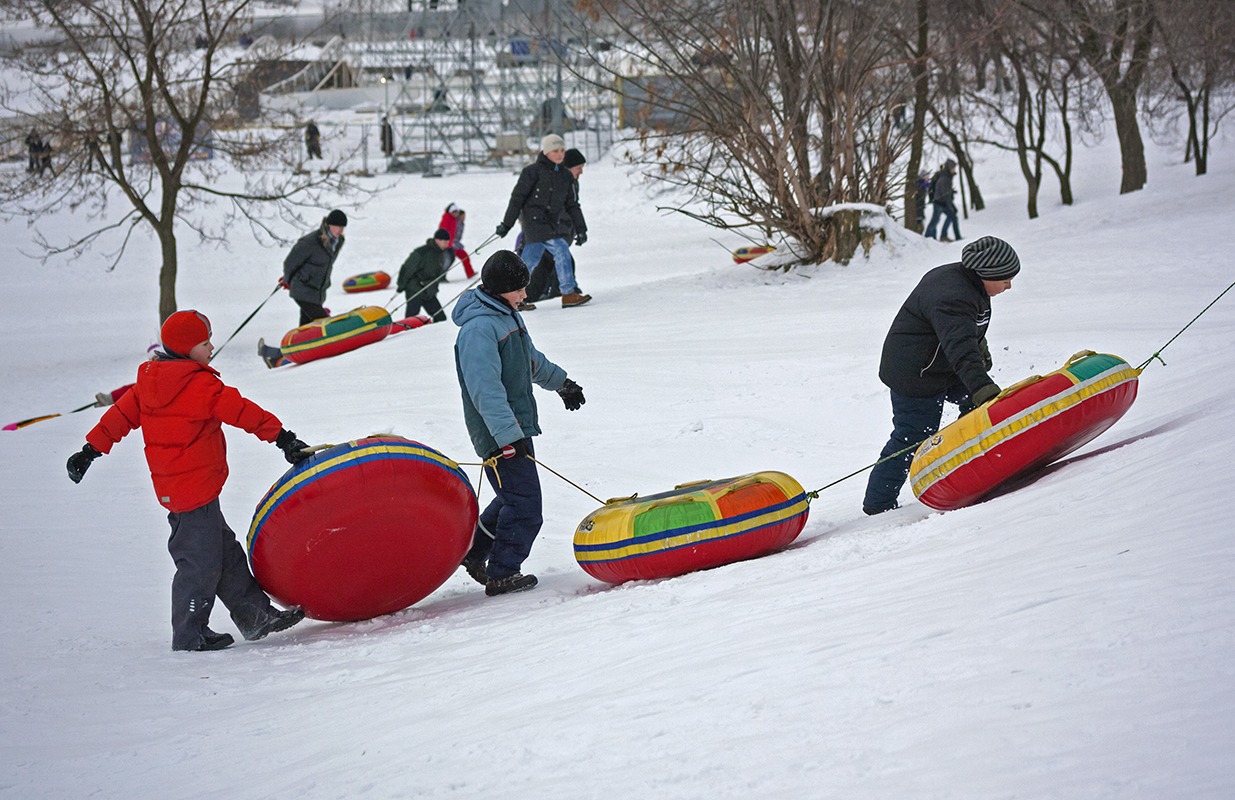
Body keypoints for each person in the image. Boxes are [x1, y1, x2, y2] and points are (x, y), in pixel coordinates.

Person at [65, 310, 311, 651]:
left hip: (182, 488)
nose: (212, 347)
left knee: (225, 554)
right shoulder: (199, 385)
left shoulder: (147, 383)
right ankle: (189, 633)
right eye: (204, 342)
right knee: (199, 565)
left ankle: (255, 616)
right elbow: (244, 412)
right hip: (194, 491)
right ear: (184, 349)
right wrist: (283, 438)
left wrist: (89, 450)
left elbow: (117, 417)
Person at [452, 251, 587, 595]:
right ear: (499, 289)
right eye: (519, 289)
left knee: (512, 498)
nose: (525, 295)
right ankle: (502, 572)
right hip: (499, 434)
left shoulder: (505, 315)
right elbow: (486, 390)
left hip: (513, 428)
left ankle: (475, 553)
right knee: (526, 507)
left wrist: (562, 384)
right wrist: (507, 438)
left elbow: (529, 360)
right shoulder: (479, 329)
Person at [861, 236, 1020, 516]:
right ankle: (879, 504)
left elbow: (965, 331)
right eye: (1005, 278)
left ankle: (962, 463)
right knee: (912, 437)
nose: (1009, 286)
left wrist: (980, 352)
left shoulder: (971, 284)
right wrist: (982, 384)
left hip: (941, 365)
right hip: (914, 373)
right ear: (987, 273)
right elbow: (959, 345)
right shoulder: (952, 294)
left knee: (976, 405)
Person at [495, 133, 591, 308]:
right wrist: (506, 224)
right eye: (555, 150)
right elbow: (517, 200)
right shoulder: (532, 172)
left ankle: (513, 298)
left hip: (552, 224)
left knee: (529, 260)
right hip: (534, 222)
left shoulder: (564, 175)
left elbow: (572, 205)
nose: (560, 154)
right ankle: (568, 293)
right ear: (545, 151)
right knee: (561, 249)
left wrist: (581, 229)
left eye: (562, 150)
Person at [527, 147, 587, 303]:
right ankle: (561, 293)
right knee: (546, 265)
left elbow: (573, 208)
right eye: (578, 168)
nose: (581, 172)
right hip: (547, 233)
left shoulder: (571, 183)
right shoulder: (554, 181)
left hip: (560, 233)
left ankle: (561, 292)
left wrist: (580, 230)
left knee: (550, 265)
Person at [280, 209, 347, 325]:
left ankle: (300, 343)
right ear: (329, 225)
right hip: (303, 289)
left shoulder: (337, 242)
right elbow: (291, 262)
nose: (340, 230)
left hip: (317, 292)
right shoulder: (311, 242)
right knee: (322, 321)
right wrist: (287, 280)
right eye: (337, 226)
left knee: (307, 325)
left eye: (342, 227)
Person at [397, 227, 451, 322]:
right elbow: (407, 268)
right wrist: (401, 285)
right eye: (445, 242)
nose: (446, 245)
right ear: (437, 240)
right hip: (415, 290)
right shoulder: (422, 252)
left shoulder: (440, 254)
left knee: (440, 318)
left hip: (428, 291)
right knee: (411, 319)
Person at [925, 159, 961, 242]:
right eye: (953, 168)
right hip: (940, 202)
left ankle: (939, 236)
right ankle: (928, 238)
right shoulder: (945, 177)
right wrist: (950, 204)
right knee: (936, 220)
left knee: (948, 217)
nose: (954, 170)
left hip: (940, 201)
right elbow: (944, 192)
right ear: (949, 168)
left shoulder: (945, 175)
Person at [437, 203, 475, 278]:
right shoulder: (454, 221)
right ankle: (441, 277)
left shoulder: (459, 223)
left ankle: (470, 274)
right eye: (462, 216)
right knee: (448, 260)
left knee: (464, 257)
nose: (463, 218)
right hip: (450, 245)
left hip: (454, 244)